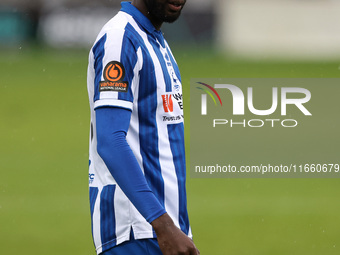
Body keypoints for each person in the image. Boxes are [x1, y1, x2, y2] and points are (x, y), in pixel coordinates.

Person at [87, 0, 199, 254]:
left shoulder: (155, 40)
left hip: (163, 227)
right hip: (136, 228)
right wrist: (161, 223)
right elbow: (110, 141)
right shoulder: (120, 39)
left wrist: (172, 225)